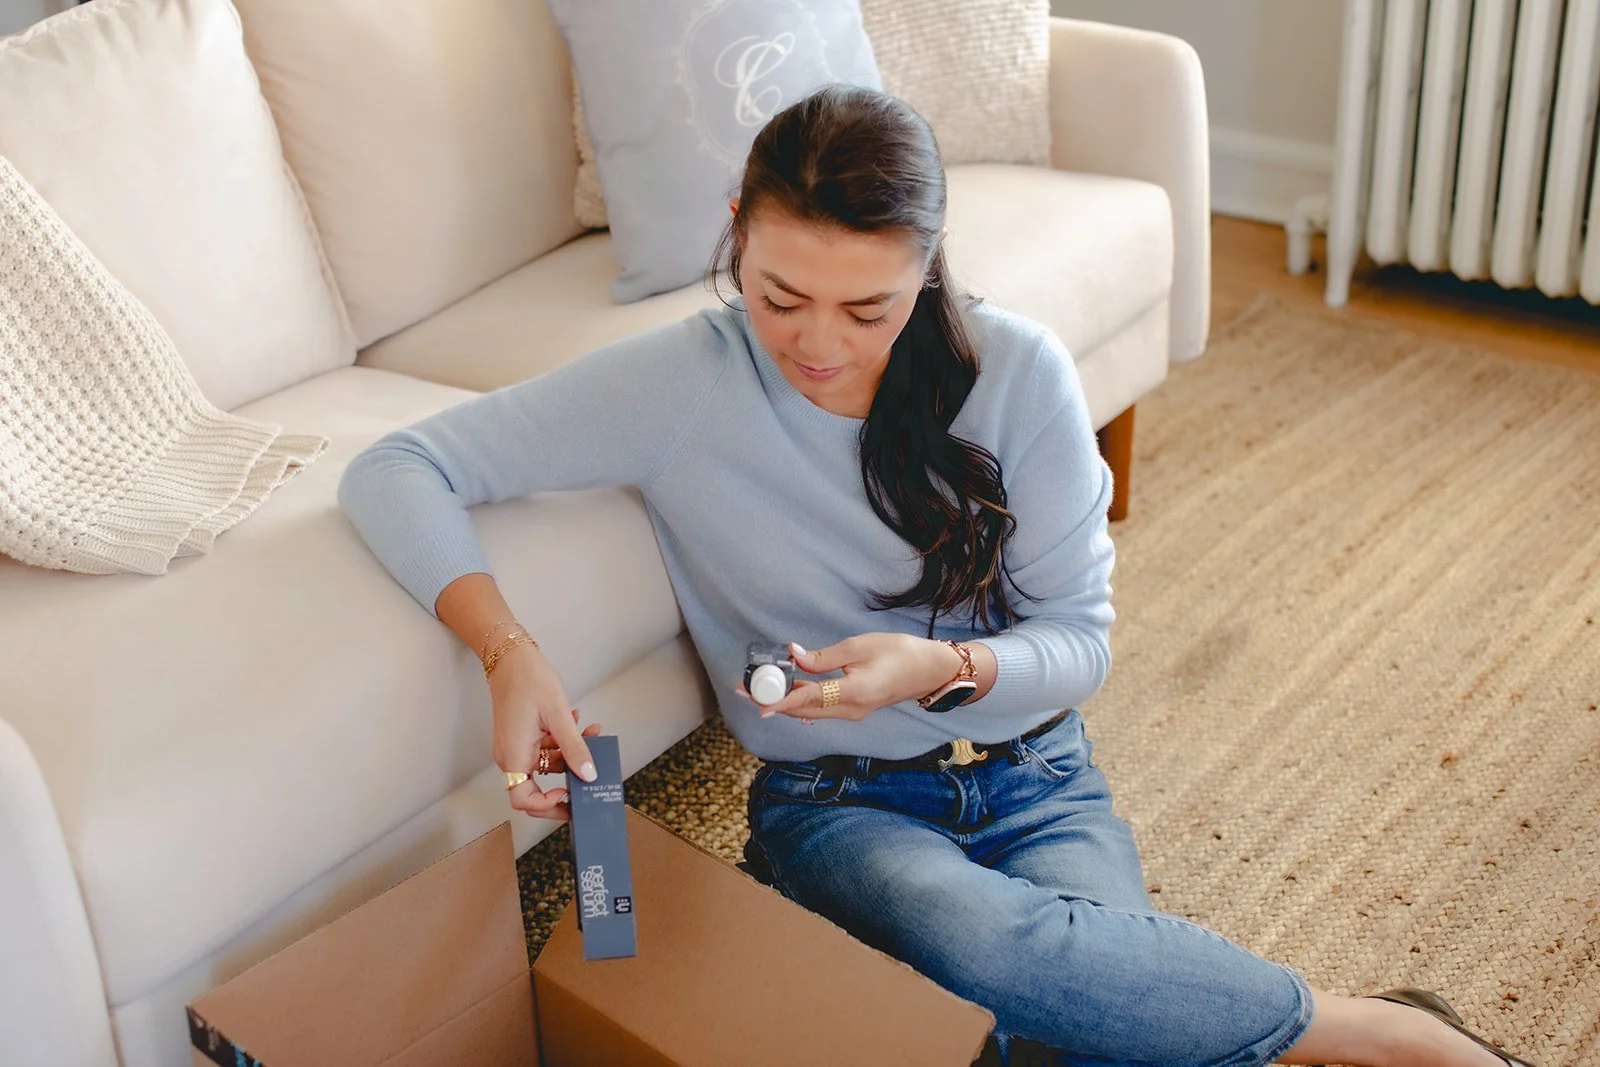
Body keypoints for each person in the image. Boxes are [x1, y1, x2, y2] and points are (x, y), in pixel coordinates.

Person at [338, 84, 1532, 1067]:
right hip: (836, 805)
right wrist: (511, 650)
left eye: (867, 307)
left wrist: (945, 666)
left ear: (927, 269)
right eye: (777, 296)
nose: (815, 344)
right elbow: (398, 466)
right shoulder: (672, 384)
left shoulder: (1017, 373)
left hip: (1037, 773)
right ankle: (1372, 1032)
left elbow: (1081, 641)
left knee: (1062, 1033)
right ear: (734, 238)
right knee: (1001, 960)